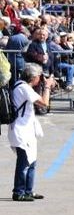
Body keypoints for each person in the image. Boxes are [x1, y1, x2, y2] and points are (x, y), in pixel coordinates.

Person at [8, 63, 55, 201]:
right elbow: (44, 103)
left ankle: (28, 190)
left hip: (26, 130)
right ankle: (18, 192)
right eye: (39, 77)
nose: (40, 79)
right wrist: (47, 86)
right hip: (21, 131)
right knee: (24, 162)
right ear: (34, 77)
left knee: (31, 161)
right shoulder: (23, 88)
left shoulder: (21, 85)